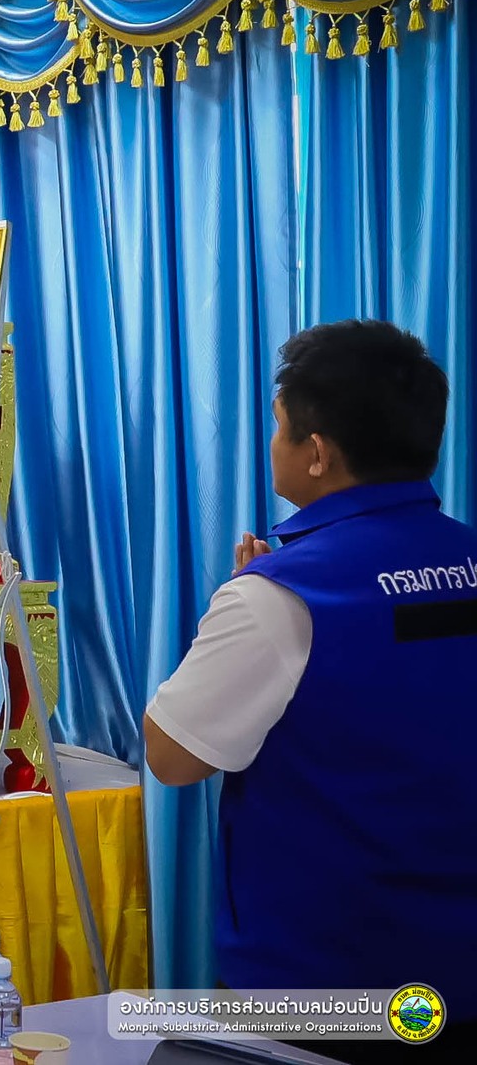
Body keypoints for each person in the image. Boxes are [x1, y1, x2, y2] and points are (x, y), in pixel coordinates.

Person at [145, 321, 474, 1056]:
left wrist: (234, 610)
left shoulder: (280, 595)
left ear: (317, 452)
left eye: (279, 426)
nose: (274, 443)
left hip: (326, 991)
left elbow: (172, 756)